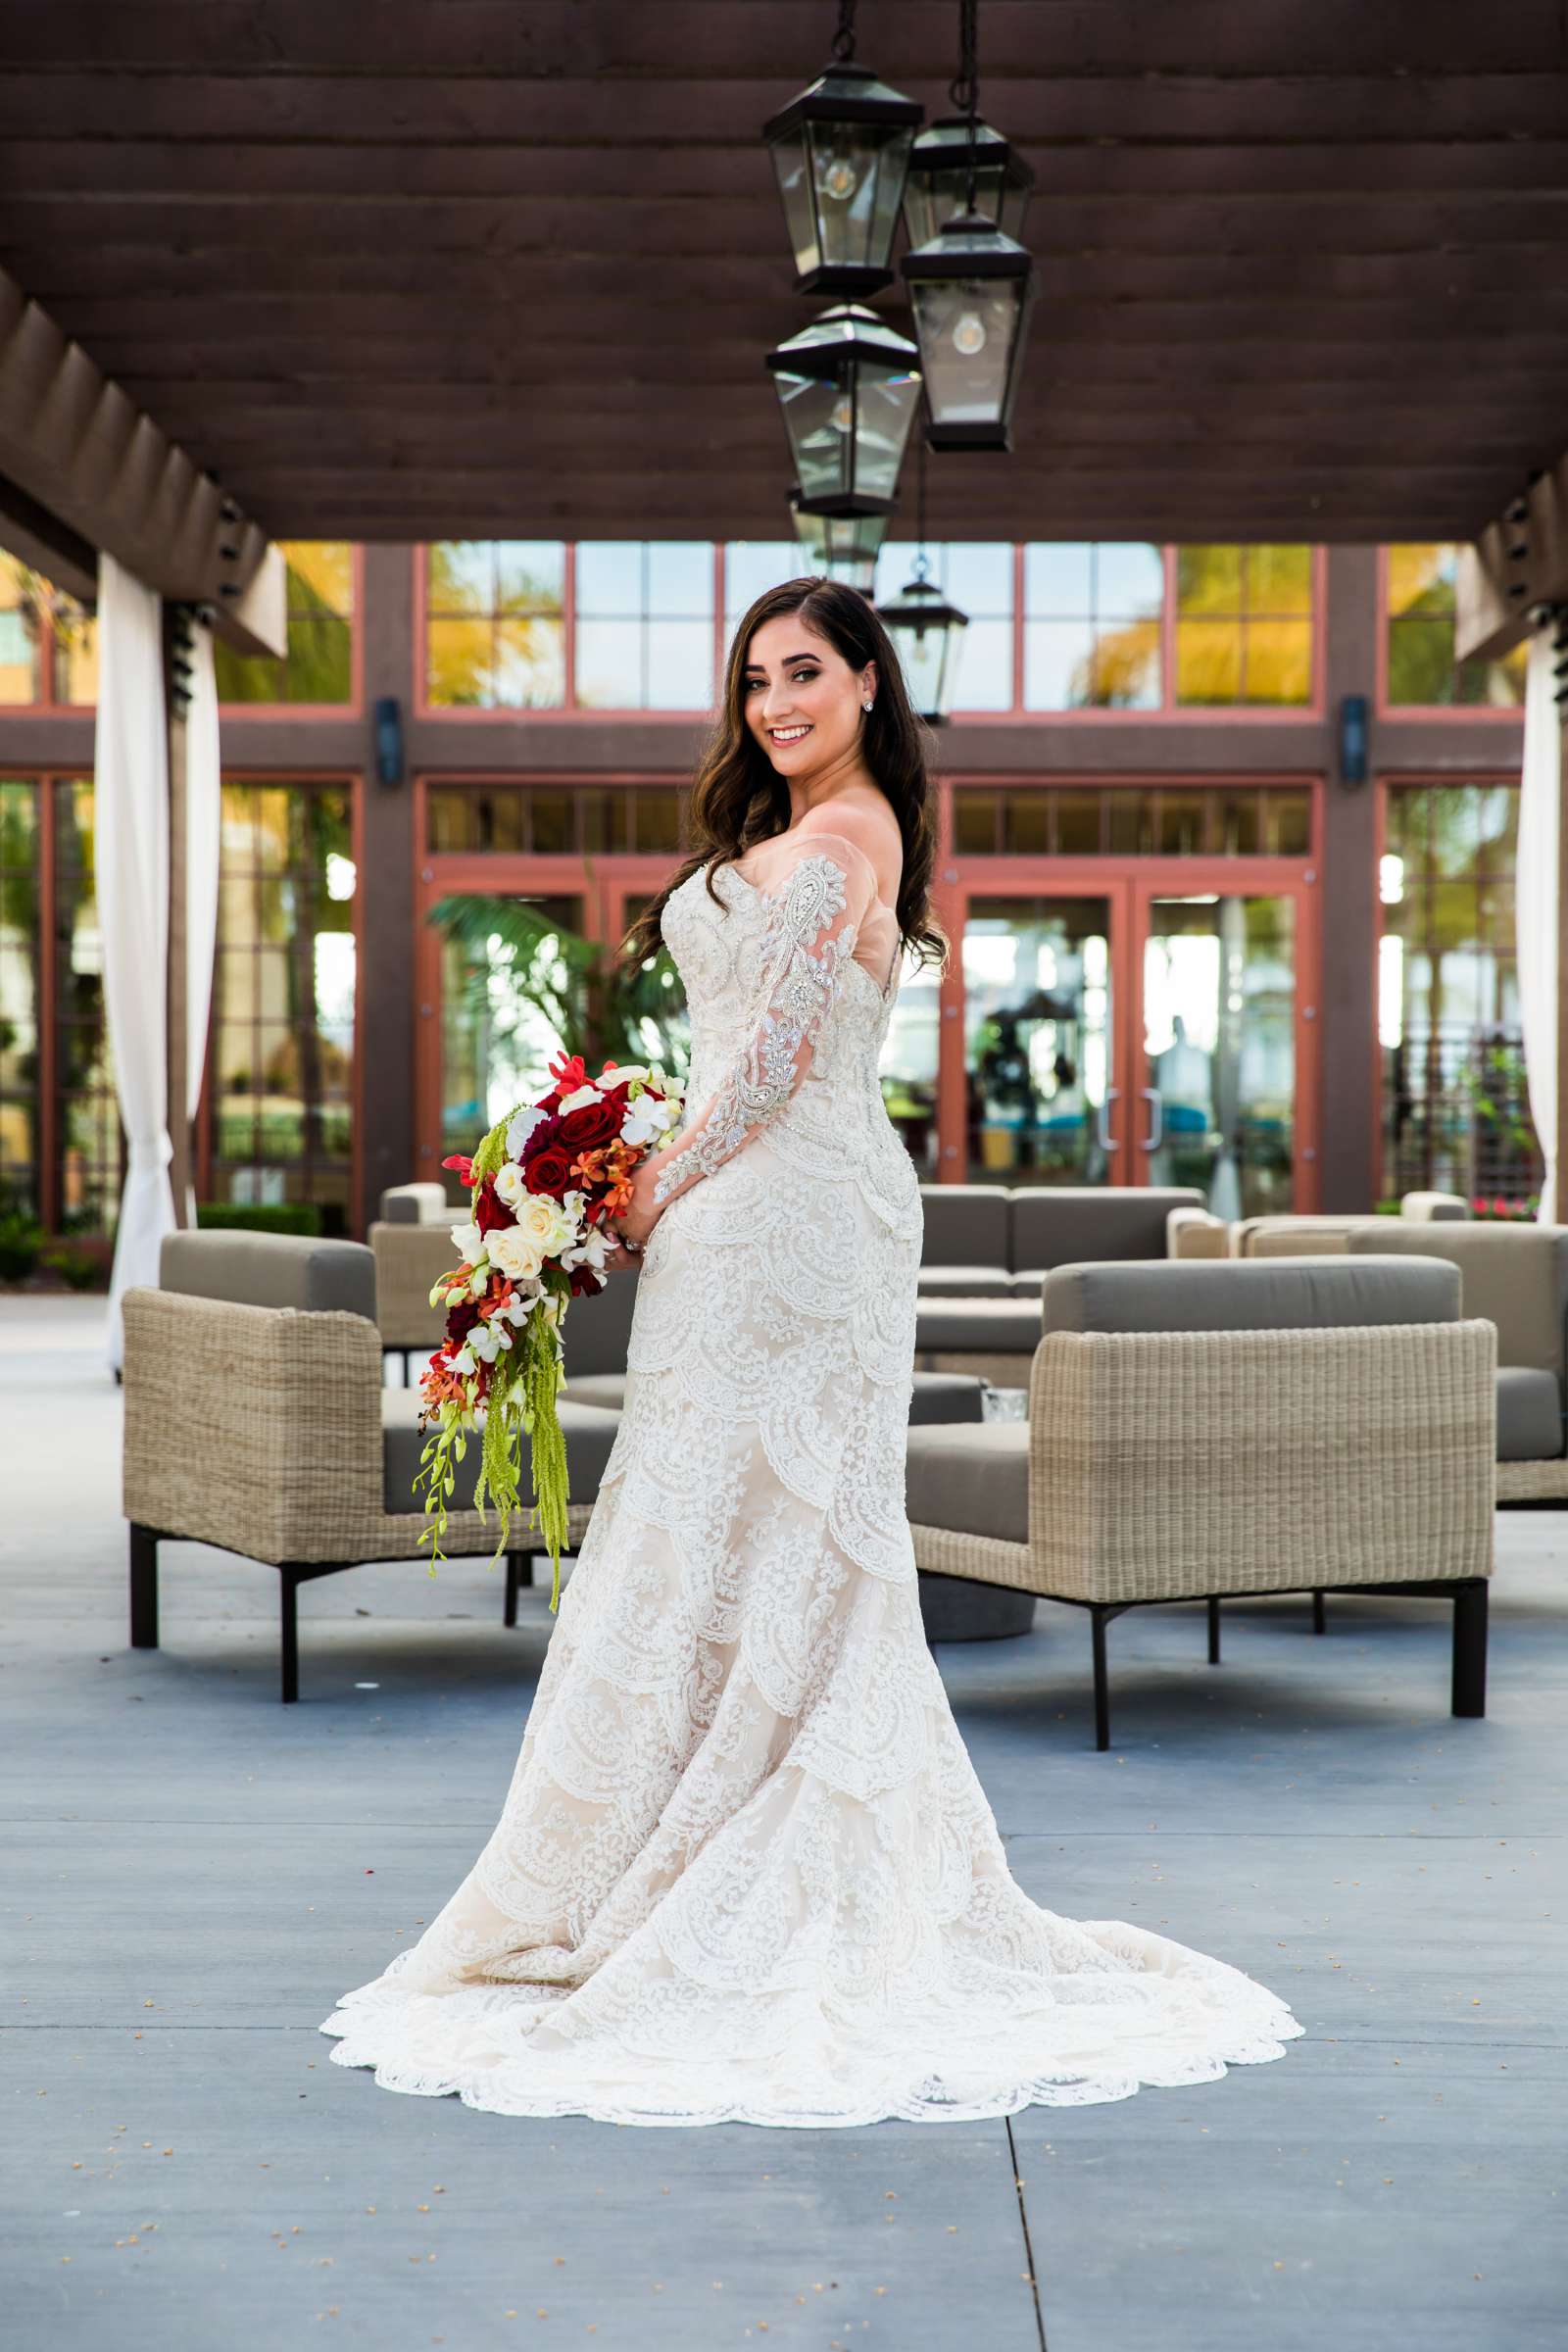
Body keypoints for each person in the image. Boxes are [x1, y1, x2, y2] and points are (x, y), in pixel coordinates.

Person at [321, 579, 1299, 2126]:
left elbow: (774, 1057)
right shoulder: (782, 835)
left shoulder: (850, 834)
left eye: (806, 675)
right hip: (738, 1208)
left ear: (866, 686)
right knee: (700, 1513)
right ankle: (668, 1844)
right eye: (757, 679)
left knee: (789, 1524)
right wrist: (621, 1163)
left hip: (798, 1213)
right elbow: (735, 1053)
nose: (777, 702)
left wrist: (647, 1184)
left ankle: (763, 1855)